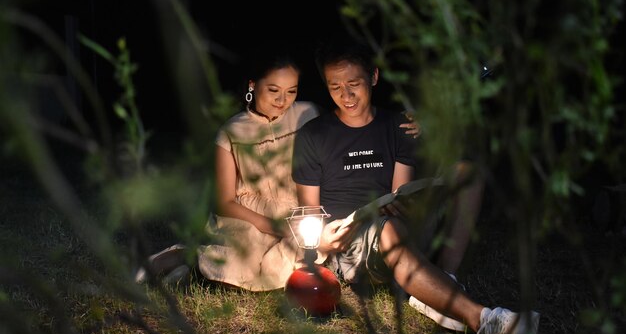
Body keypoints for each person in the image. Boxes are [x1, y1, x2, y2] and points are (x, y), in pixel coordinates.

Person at [291, 36, 540, 334]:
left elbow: (399, 193)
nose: (346, 95)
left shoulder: (396, 125)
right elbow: (309, 216)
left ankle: (445, 280)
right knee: (389, 229)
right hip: (350, 245)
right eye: (335, 86)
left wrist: (408, 201)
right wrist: (323, 239)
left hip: (394, 229)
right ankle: (488, 322)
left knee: (467, 173)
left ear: (374, 77)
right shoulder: (314, 135)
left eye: (354, 83)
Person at [135, 44, 420, 290]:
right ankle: (185, 258)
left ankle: (195, 272)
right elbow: (225, 201)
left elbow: (345, 122)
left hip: (296, 211)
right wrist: (269, 225)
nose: (282, 100)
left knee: (294, 266)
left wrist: (407, 120)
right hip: (250, 217)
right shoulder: (232, 132)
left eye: (291, 91)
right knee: (240, 262)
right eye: (273, 90)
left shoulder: (306, 114)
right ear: (252, 85)